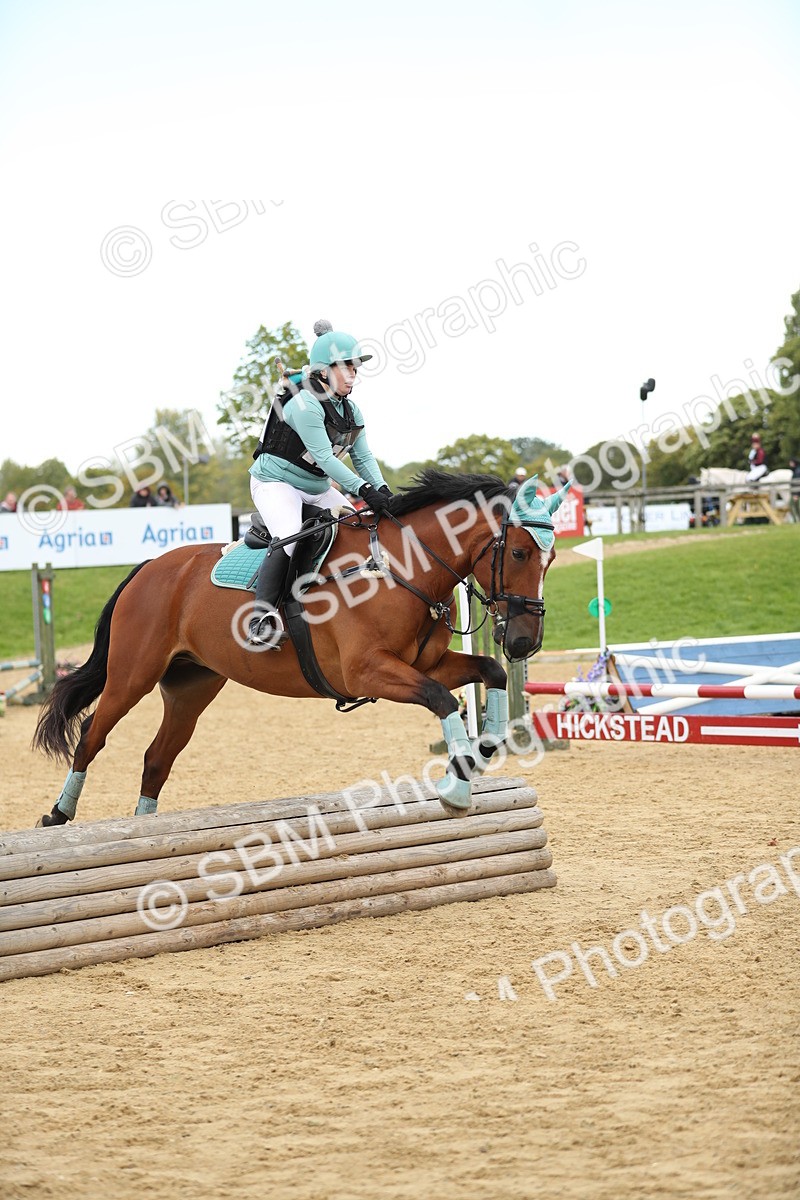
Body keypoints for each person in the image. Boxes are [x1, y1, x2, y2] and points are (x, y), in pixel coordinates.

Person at [247, 318, 392, 648]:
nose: (353, 374)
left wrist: (382, 490)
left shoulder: (351, 410)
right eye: (346, 367)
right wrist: (363, 490)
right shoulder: (305, 403)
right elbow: (326, 459)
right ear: (323, 370)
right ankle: (259, 620)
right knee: (289, 537)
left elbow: (364, 458)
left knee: (357, 528)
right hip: (275, 483)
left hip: (316, 487)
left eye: (355, 368)